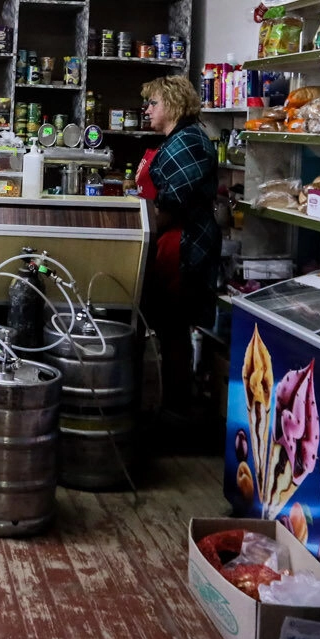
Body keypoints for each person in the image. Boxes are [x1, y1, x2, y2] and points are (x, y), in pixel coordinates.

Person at [133, 75, 222, 422]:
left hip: (185, 244)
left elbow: (172, 202)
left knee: (174, 327)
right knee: (169, 324)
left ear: (171, 105)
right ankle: (168, 401)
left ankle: (176, 409)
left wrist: (145, 225)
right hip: (172, 241)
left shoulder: (189, 142)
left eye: (153, 103)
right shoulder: (177, 140)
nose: (148, 109)